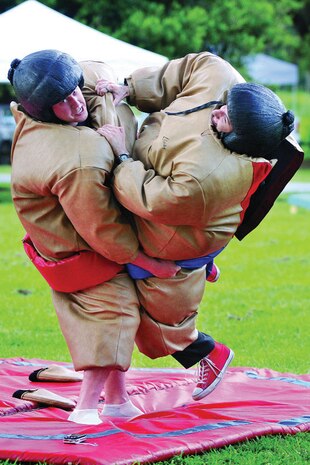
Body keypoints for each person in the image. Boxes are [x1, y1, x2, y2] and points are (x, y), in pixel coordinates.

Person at [95, 52, 302, 401]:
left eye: (227, 120)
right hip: (188, 216)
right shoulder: (220, 77)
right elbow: (184, 70)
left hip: (177, 237)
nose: (218, 112)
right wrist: (129, 87)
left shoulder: (208, 178)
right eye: (226, 105)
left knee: (159, 328)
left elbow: (152, 199)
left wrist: (123, 157)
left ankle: (211, 354)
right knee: (113, 287)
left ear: (240, 142)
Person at [7, 49, 179, 425]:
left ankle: (117, 400)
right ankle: (86, 408)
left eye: (74, 90)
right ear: (40, 109)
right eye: (61, 102)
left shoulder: (38, 120)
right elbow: (102, 229)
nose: (73, 103)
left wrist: (110, 92)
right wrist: (149, 263)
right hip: (83, 251)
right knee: (112, 318)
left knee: (120, 319)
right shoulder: (78, 158)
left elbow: (84, 84)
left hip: (62, 248)